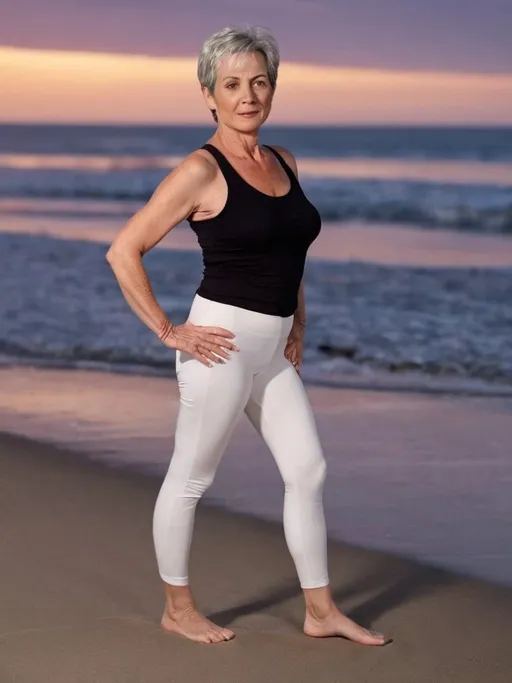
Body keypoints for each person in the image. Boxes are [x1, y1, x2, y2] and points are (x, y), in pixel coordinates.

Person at [106, 25, 391, 647]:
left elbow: (291, 249)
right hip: (221, 343)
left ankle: (320, 611)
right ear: (209, 93)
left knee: (309, 470)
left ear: (273, 88)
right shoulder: (199, 170)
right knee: (192, 476)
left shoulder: (284, 160)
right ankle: (177, 608)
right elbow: (123, 250)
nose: (247, 95)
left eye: (259, 81)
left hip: (273, 347)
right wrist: (168, 331)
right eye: (232, 84)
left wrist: (300, 321)